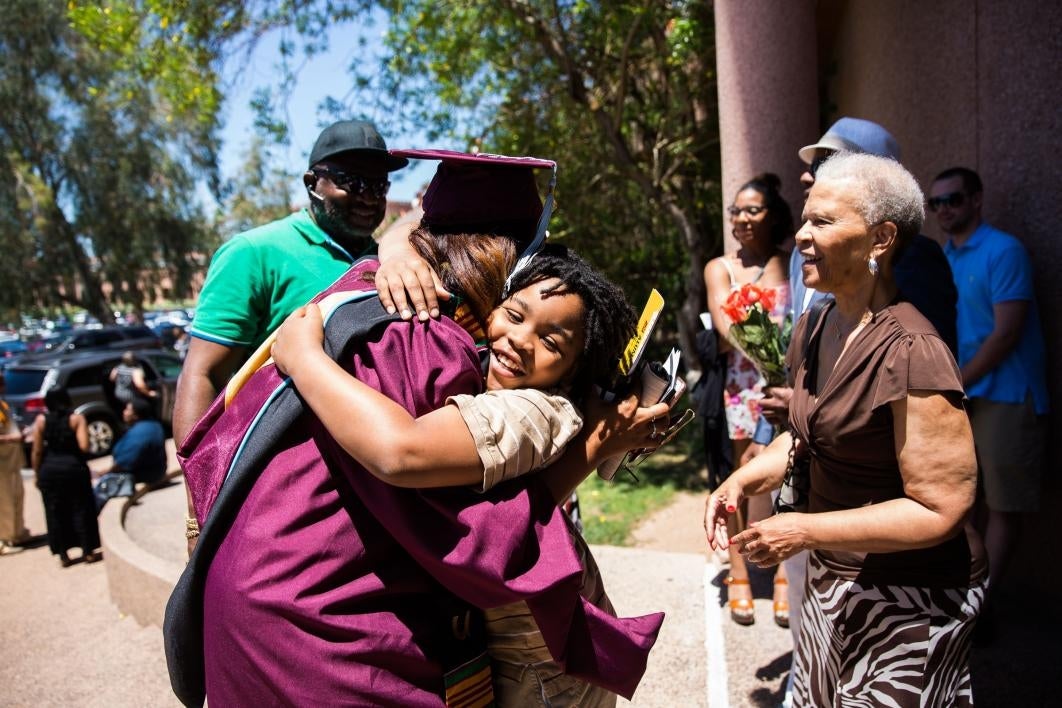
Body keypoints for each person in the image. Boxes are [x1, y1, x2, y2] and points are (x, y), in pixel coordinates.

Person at [169, 155, 666, 707]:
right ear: (505, 260)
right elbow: (471, 525)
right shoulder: (431, 341)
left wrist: (395, 242)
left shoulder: (353, 292)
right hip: (319, 631)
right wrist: (598, 444)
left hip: (241, 605)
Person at [273, 245, 648, 707]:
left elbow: (400, 450)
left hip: (540, 664)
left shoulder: (533, 411)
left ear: (572, 372)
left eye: (552, 343)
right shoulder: (492, 371)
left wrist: (305, 360)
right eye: (514, 314)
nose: (519, 339)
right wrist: (398, 257)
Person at [705, 153, 984, 706]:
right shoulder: (816, 322)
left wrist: (804, 531)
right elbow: (807, 435)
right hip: (838, 579)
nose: (803, 236)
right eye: (806, 219)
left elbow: (941, 508)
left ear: (880, 239)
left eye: (824, 222)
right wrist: (742, 480)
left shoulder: (913, 352)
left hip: (911, 599)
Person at [173, 119, 408, 446]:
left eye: (378, 186)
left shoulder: (384, 260)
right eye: (352, 183)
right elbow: (203, 374)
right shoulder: (253, 253)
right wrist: (200, 486)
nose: (368, 198)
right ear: (312, 183)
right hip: (281, 470)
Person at [931, 166, 1049, 635]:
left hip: (1005, 394)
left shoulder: (1005, 251)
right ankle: (966, 596)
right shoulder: (945, 257)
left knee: (1002, 505)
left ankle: (980, 609)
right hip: (965, 396)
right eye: (935, 203)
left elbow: (1006, 334)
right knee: (965, 501)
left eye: (953, 199)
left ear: (977, 200)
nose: (944, 209)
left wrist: (954, 381)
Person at [702, 173, 791, 627]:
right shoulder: (722, 268)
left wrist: (785, 372)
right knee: (738, 483)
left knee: (789, 479)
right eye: (735, 211)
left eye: (751, 210)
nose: (741, 218)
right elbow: (724, 324)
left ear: (772, 216)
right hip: (742, 388)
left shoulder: (792, 263)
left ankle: (783, 577)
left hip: (789, 387)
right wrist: (767, 361)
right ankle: (738, 572)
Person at [31, 387, 101, 567]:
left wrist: (37, 474)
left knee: (55, 512)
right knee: (81, 509)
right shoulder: (76, 419)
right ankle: (87, 551)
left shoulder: (41, 421)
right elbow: (84, 446)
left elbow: (37, 451)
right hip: (74, 469)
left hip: (50, 470)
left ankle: (63, 554)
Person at [93, 397, 167, 511]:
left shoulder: (139, 434)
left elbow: (123, 464)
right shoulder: (153, 425)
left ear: (136, 415)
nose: (124, 412)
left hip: (145, 475)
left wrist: (101, 473)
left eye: (127, 410)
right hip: (157, 471)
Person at [0, 373, 30, 556]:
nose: (4, 384)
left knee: (16, 497)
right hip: (1, 465)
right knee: (3, 502)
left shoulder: (3, 404)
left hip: (11, 461)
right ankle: (3, 540)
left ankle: (17, 533)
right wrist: (13, 437)